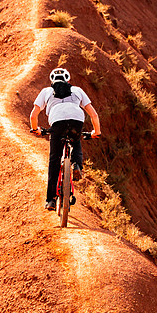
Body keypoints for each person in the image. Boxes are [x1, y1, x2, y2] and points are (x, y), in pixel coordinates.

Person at [30, 67, 101, 211]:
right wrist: (96, 132)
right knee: (76, 140)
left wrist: (36, 129)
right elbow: (94, 115)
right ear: (68, 80)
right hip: (76, 119)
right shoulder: (78, 90)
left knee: (54, 160)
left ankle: (50, 200)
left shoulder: (46, 92)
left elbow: (33, 115)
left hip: (57, 122)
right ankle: (76, 164)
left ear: (52, 80)